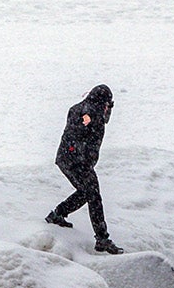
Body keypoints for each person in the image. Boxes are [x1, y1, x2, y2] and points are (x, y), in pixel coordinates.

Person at [45, 84, 122, 254]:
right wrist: (83, 159)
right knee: (93, 195)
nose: (109, 108)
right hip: (77, 161)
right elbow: (78, 133)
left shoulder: (78, 109)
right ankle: (102, 239)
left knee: (86, 192)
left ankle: (58, 214)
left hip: (65, 158)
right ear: (104, 102)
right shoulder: (93, 115)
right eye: (109, 104)